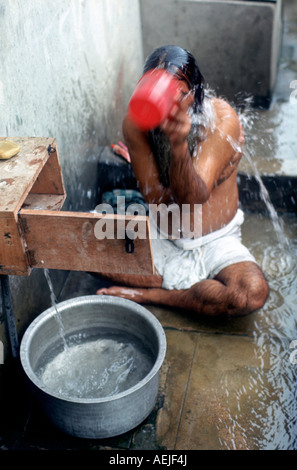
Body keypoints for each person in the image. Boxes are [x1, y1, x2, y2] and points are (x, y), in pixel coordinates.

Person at [96, 45, 269, 317]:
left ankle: (152, 293)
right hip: (163, 237)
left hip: (216, 241)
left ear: (195, 93)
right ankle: (190, 290)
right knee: (76, 247)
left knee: (249, 293)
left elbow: (192, 200)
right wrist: (155, 161)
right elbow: (156, 200)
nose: (166, 104)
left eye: (176, 94)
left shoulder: (221, 119)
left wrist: (177, 147)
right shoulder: (136, 124)